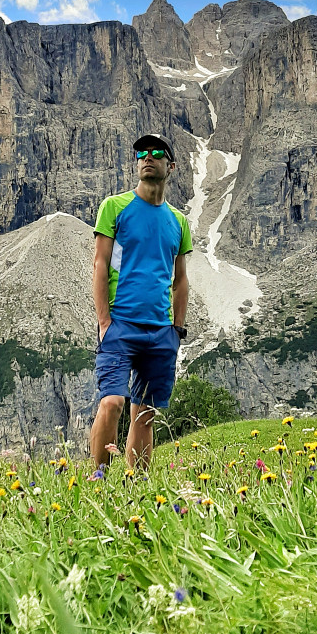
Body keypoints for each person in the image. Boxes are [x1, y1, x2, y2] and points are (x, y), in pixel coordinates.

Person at [89, 134, 192, 470]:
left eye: (157, 152)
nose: (148, 157)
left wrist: (176, 330)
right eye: (141, 153)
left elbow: (180, 279)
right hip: (120, 324)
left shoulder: (178, 221)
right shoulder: (115, 207)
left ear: (171, 166)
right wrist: (104, 322)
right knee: (113, 402)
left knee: (144, 413)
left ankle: (138, 488)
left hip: (161, 331)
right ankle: (98, 479)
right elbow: (100, 264)